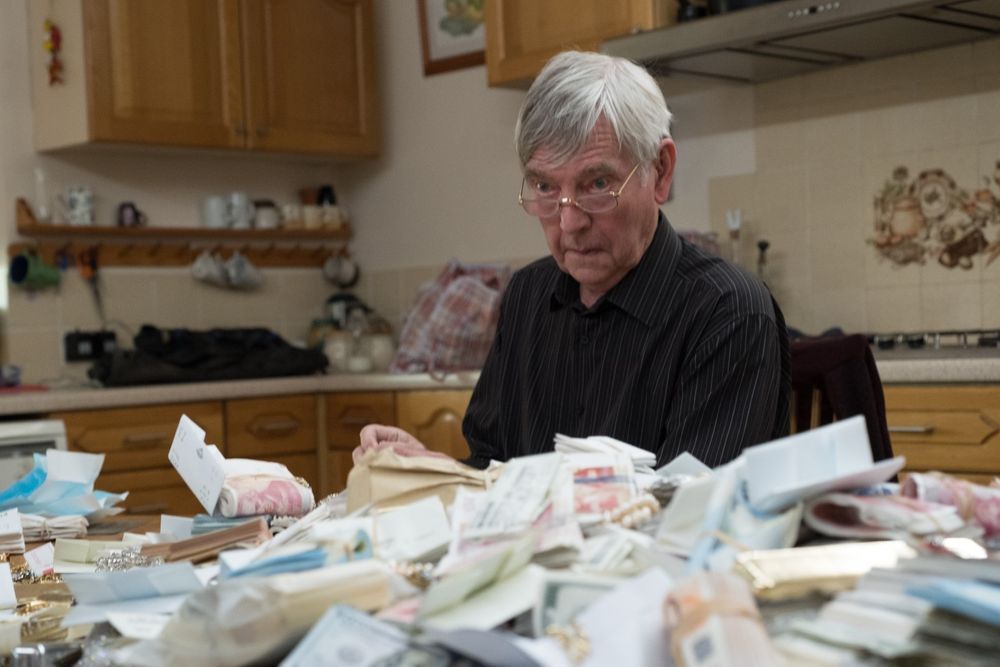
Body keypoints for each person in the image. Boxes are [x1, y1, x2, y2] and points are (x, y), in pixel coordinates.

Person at [355, 50, 789, 470]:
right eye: (545, 188)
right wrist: (436, 471)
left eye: (597, 184)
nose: (569, 222)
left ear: (660, 170)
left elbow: (690, 506)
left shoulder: (728, 311)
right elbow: (492, 469)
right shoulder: (527, 295)